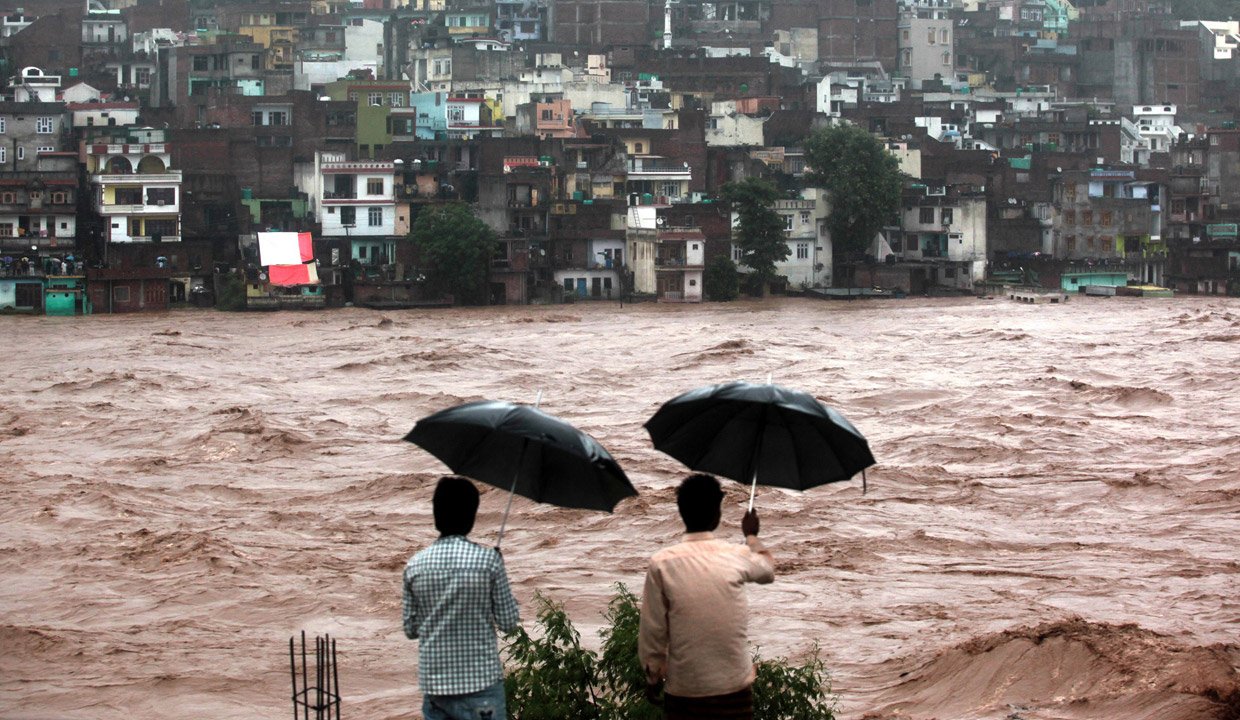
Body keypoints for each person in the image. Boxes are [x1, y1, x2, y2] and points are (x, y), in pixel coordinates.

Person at [638, 473, 775, 720]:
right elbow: (767, 571)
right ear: (718, 513)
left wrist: (653, 675)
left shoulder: (662, 563)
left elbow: (653, 629)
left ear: (681, 512)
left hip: (685, 690)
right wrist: (751, 535)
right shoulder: (736, 555)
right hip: (733, 687)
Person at [403, 475, 521, 720]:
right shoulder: (489, 562)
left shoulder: (414, 566)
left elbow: (411, 629)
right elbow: (508, 622)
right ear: (472, 517)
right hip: (481, 686)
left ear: (436, 515)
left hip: (435, 687)